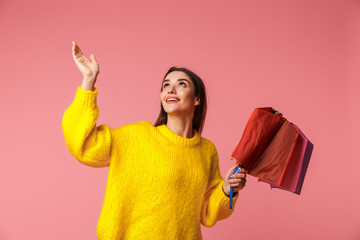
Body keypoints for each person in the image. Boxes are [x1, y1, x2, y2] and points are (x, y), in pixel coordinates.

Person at [62, 41, 247, 240]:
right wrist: (88, 82)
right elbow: (83, 145)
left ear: (197, 99)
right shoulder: (135, 135)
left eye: (181, 84)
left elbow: (207, 213)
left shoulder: (207, 150)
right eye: (166, 85)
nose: (171, 89)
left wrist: (227, 189)